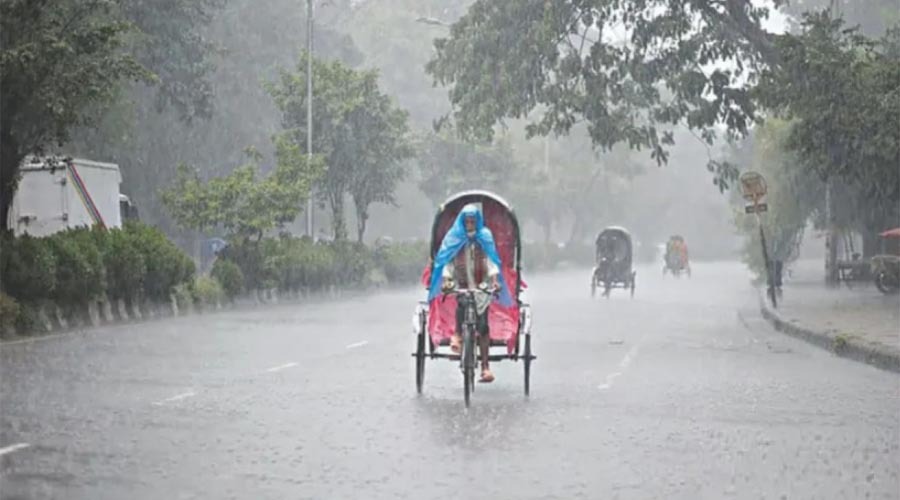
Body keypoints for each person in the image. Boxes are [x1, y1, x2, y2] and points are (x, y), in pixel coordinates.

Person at [427, 204, 513, 383]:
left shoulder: (485, 237)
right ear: (463, 222)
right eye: (467, 221)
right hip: (462, 283)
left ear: (477, 222)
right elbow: (448, 262)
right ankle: (457, 335)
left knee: (482, 326)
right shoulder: (454, 237)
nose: (470, 224)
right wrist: (446, 280)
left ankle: (485, 367)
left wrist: (495, 280)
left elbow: (491, 261)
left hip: (482, 285)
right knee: (461, 305)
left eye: (473, 221)